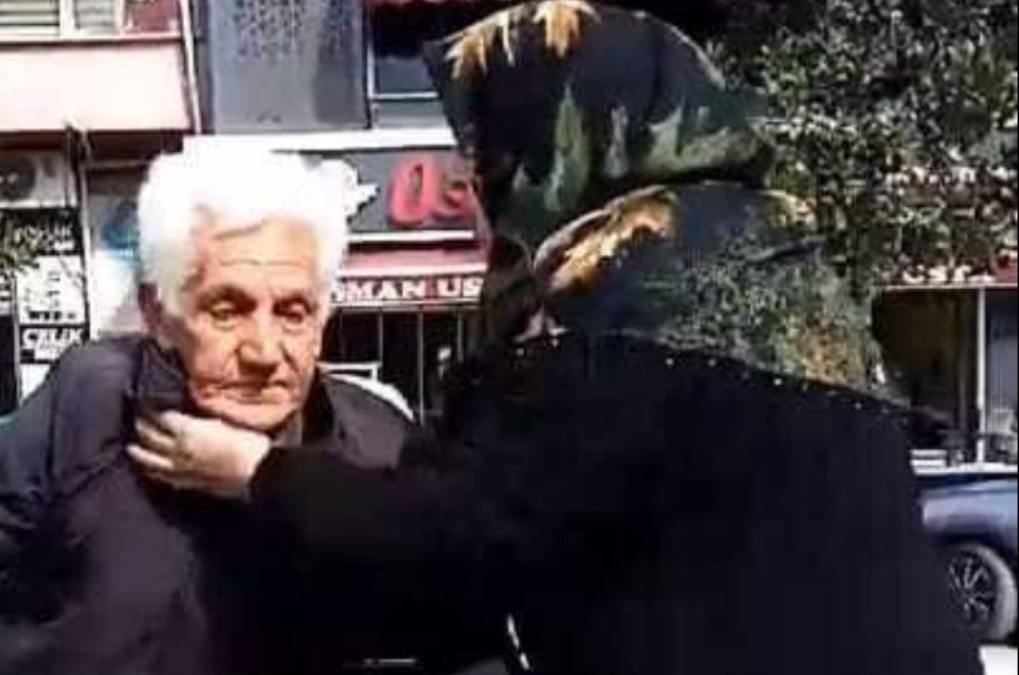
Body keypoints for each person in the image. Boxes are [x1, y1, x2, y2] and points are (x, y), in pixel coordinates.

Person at [128, 4, 985, 675]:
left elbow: (462, 537)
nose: (475, 185)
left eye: (488, 151)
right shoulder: (777, 260)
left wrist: (259, 473)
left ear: (558, 136)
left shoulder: (619, 300)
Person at [0, 150, 497, 675]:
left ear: (323, 321)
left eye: (293, 312)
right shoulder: (90, 401)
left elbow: (467, 628)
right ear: (158, 313)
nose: (265, 351)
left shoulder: (377, 445)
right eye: (227, 309)